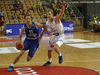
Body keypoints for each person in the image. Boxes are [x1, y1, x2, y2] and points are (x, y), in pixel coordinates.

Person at [42, 2, 66, 66]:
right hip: (53, 36)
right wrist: (46, 33)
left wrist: (63, 6)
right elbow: (44, 28)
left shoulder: (56, 19)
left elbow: (61, 14)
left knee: (56, 47)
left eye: (49, 14)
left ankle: (60, 55)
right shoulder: (47, 22)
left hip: (60, 35)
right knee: (49, 51)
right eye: (47, 14)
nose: (48, 15)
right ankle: (50, 61)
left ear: (52, 15)